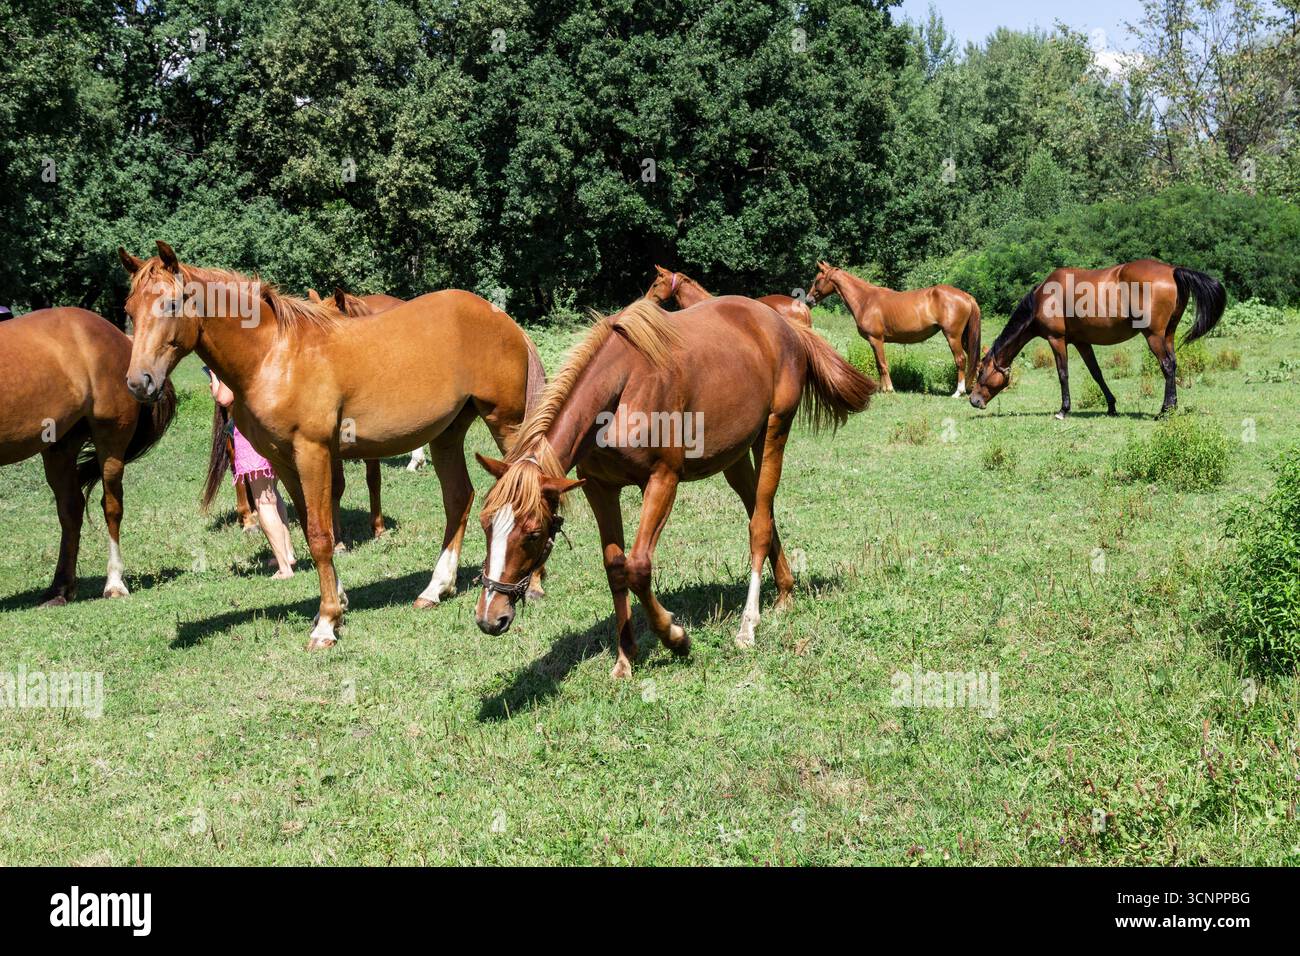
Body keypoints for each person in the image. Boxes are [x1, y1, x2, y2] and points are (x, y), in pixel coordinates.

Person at [204, 368, 297, 578]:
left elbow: (225, 398)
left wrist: (214, 378)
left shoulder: (232, 357)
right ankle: (287, 552)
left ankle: (284, 567)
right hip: (273, 430)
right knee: (273, 494)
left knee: (263, 502)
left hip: (251, 434)